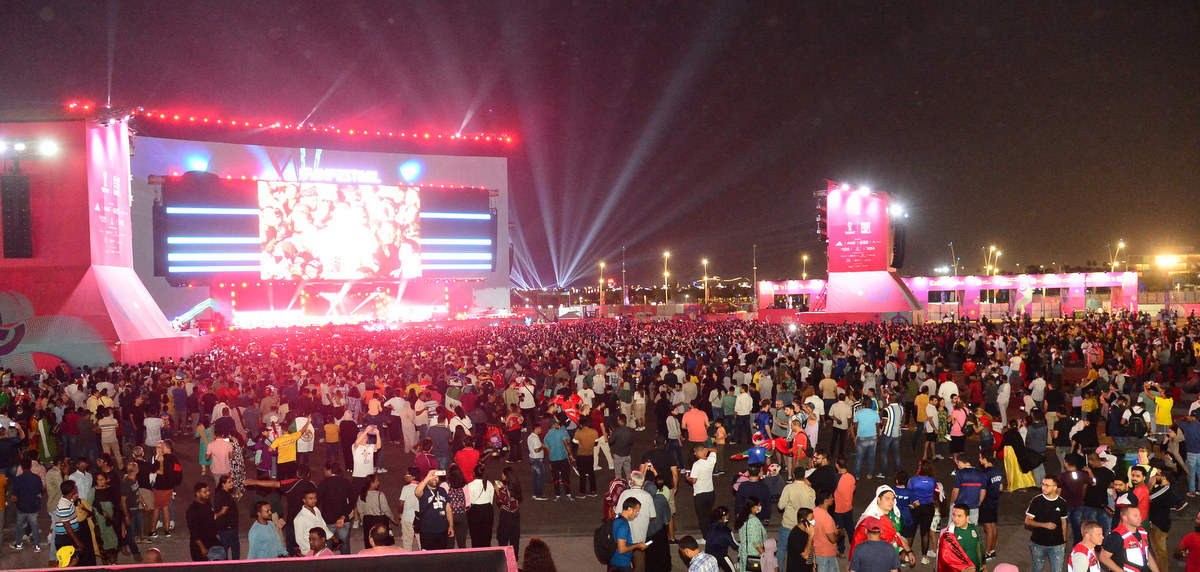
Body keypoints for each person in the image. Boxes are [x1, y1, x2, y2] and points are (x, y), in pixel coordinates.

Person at [1026, 476, 1069, 572]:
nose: (1043, 487)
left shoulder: (1062, 503)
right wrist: (1044, 525)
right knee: (1037, 568)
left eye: (1047, 485)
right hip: (1038, 543)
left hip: (1057, 545)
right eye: (1042, 484)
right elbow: (1028, 521)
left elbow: (1063, 522)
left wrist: (1064, 541)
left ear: (1055, 487)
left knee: (1057, 570)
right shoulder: (1036, 501)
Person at [1099, 504, 1158, 572]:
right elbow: (1103, 557)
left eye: (1139, 515)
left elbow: (1147, 554)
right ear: (1125, 518)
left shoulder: (1143, 532)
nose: (1139, 517)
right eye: (1135, 515)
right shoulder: (1117, 536)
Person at [936, 504, 985, 572]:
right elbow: (945, 559)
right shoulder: (948, 536)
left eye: (959, 516)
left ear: (967, 518)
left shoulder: (974, 528)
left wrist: (983, 563)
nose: (955, 519)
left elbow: (979, 546)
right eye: (954, 515)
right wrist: (962, 570)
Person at [10, 457, 44, 552]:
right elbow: (40, 492)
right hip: (33, 506)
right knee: (35, 526)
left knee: (19, 526)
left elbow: (15, 496)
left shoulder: (18, 479)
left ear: (21, 466)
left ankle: (18, 543)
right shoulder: (37, 478)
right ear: (30, 466)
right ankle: (37, 546)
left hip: (21, 507)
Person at [415, 469, 454, 549]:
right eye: (432, 476)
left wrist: (451, 526)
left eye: (436, 477)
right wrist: (427, 478)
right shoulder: (424, 490)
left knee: (441, 555)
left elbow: (448, 508)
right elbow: (416, 492)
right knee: (428, 557)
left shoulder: (442, 490)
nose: (434, 479)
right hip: (427, 531)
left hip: (442, 530)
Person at [610, 497, 648, 572]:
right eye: (636, 511)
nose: (637, 514)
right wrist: (637, 546)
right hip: (621, 564)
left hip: (615, 561)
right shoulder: (623, 526)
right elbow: (622, 549)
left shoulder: (617, 520)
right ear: (630, 509)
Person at [185, 482, 220, 561]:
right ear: (197, 494)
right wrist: (202, 548)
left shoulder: (207, 502)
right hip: (199, 546)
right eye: (205, 492)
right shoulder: (192, 511)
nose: (208, 493)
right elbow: (193, 532)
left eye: (208, 491)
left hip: (211, 540)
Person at [687, 445, 717, 535]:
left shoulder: (696, 465)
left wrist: (687, 478)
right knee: (708, 514)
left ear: (700, 452)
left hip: (700, 495)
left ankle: (705, 537)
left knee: (702, 517)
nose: (694, 453)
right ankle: (711, 533)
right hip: (710, 492)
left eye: (695, 451)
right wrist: (707, 449)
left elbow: (694, 480)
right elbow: (715, 450)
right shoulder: (711, 460)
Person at [978, 454, 1004, 560]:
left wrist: (979, 503)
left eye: (980, 457)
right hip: (994, 502)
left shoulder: (984, 474)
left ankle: (987, 552)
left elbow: (982, 491)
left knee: (988, 528)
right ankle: (992, 550)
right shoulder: (998, 471)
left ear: (985, 459)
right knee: (993, 526)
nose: (979, 460)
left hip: (986, 503)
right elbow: (1001, 488)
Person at [949, 454, 988, 524]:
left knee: (954, 529)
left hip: (959, 507)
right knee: (972, 529)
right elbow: (983, 492)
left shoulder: (960, 473)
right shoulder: (981, 474)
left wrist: (951, 503)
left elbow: (955, 491)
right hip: (974, 506)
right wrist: (978, 503)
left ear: (959, 462)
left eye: (957, 463)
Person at [464, 463, 495, 546]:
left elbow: (468, 502)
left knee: (475, 535)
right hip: (488, 509)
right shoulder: (489, 484)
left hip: (475, 510)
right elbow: (491, 500)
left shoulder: (470, 485)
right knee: (487, 535)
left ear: (474, 474)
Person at [735, 496, 767, 572]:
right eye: (759, 505)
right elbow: (756, 543)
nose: (760, 507)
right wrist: (765, 555)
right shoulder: (753, 521)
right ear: (754, 507)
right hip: (753, 554)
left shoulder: (743, 517)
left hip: (743, 553)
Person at [812, 490, 842, 572]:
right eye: (831, 497)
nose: (833, 499)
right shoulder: (827, 518)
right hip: (826, 553)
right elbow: (832, 539)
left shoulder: (813, 511)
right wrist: (840, 534)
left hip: (816, 550)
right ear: (826, 501)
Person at [212, 475, 240, 560]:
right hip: (229, 525)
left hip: (222, 526)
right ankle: (236, 565)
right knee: (234, 547)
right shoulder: (225, 495)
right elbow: (224, 510)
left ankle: (225, 564)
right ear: (223, 484)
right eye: (229, 482)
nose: (232, 483)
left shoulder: (219, 493)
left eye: (232, 481)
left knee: (224, 546)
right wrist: (216, 515)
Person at [787, 507, 815, 572]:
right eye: (811, 519)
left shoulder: (808, 530)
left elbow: (811, 548)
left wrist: (813, 565)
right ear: (803, 520)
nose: (813, 520)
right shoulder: (796, 535)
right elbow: (805, 555)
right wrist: (810, 537)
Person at [527, 424, 549, 500]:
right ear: (536, 429)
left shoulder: (530, 437)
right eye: (540, 428)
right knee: (540, 477)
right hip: (537, 460)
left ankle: (535, 493)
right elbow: (536, 450)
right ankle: (539, 494)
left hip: (533, 459)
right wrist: (543, 446)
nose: (541, 430)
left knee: (536, 477)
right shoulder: (535, 438)